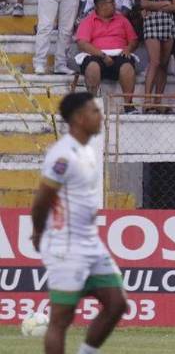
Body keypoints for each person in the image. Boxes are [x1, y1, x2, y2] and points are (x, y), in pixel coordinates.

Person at [29, 92, 127, 354]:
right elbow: (41, 200)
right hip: (66, 244)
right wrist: (38, 231)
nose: (101, 116)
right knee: (61, 319)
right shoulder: (63, 155)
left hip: (89, 240)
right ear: (79, 118)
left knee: (117, 303)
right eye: (95, 111)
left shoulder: (87, 151)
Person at [76, 0, 139, 105]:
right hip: (96, 55)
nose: (115, 4)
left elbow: (134, 40)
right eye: (112, 2)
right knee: (92, 67)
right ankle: (93, 104)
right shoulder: (88, 21)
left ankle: (128, 105)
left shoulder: (122, 20)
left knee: (127, 67)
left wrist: (128, 48)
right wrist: (102, 55)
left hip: (119, 55)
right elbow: (82, 43)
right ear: (101, 5)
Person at [139, 0, 175, 111]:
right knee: (154, 61)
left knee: (164, 63)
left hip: (168, 23)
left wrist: (154, 5)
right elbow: (144, 3)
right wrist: (164, 3)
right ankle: (147, 100)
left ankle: (158, 100)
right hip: (152, 23)